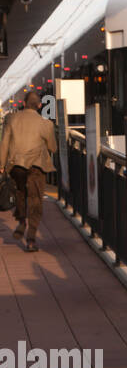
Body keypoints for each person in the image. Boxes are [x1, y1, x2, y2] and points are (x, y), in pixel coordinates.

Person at [0, 90, 56, 252]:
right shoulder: (46, 124)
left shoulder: (11, 119)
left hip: (16, 165)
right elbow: (52, 147)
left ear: (23, 104)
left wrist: (2, 165)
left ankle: (21, 220)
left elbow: (4, 144)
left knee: (20, 193)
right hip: (36, 166)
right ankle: (31, 238)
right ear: (39, 106)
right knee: (35, 199)